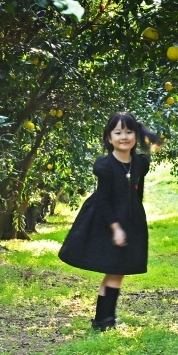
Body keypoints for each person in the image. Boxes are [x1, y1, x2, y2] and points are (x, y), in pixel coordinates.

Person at [58, 111, 157, 331]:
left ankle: (103, 319)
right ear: (109, 137)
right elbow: (103, 200)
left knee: (117, 271)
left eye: (129, 132)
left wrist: (143, 132)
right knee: (115, 269)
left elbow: (155, 144)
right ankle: (105, 320)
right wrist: (116, 229)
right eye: (118, 132)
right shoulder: (105, 166)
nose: (124, 137)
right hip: (107, 221)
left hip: (130, 221)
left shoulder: (139, 163)